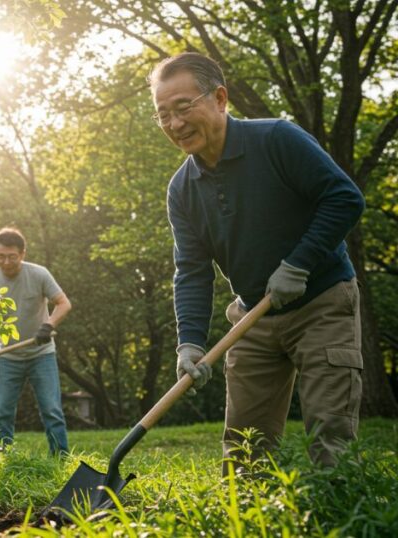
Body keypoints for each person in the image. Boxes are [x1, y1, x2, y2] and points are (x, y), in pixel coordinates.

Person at [150, 52, 365, 469]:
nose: (174, 124)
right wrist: (190, 342)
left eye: (183, 107)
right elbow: (192, 269)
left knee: (332, 444)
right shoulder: (182, 189)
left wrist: (299, 263)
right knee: (245, 455)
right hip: (252, 318)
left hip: (322, 305)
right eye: (163, 115)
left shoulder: (277, 139)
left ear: (220, 98)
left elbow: (344, 198)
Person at [0, 228, 73, 456]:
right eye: (1, 256)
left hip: (42, 354)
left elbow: (63, 303)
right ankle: (1, 460)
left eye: (12, 256)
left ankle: (60, 459)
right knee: (2, 415)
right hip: (8, 357)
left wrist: (48, 325)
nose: (6, 262)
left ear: (23, 254)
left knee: (52, 410)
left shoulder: (38, 275)